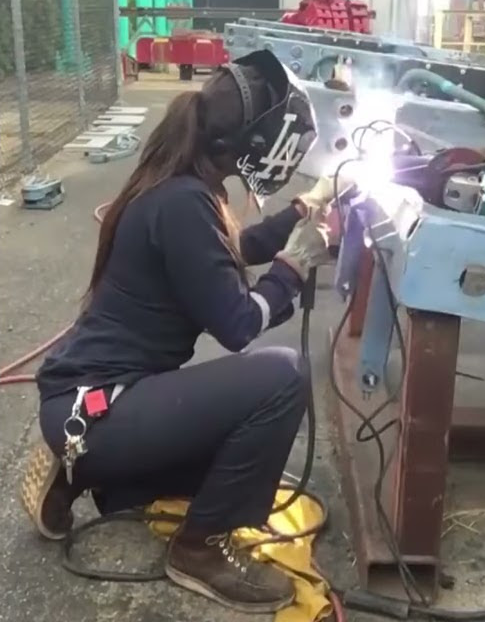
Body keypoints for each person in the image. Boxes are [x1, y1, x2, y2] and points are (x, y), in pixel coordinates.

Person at [21, 50, 341, 615]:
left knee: (235, 467)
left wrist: (300, 212)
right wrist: (294, 268)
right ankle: (198, 550)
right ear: (243, 144)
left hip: (92, 403)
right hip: (100, 407)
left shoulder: (184, 184)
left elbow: (226, 256)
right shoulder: (185, 203)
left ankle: (85, 476)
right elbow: (239, 324)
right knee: (283, 378)